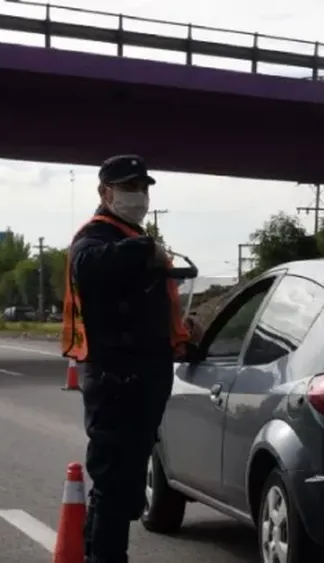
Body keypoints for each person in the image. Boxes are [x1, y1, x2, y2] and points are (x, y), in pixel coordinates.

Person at [60, 154, 199, 562]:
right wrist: (145, 251)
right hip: (116, 380)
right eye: (129, 188)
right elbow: (88, 266)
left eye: (143, 188)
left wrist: (183, 334)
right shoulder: (98, 236)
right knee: (114, 485)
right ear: (105, 193)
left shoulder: (127, 234)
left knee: (124, 486)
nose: (139, 196)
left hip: (140, 378)